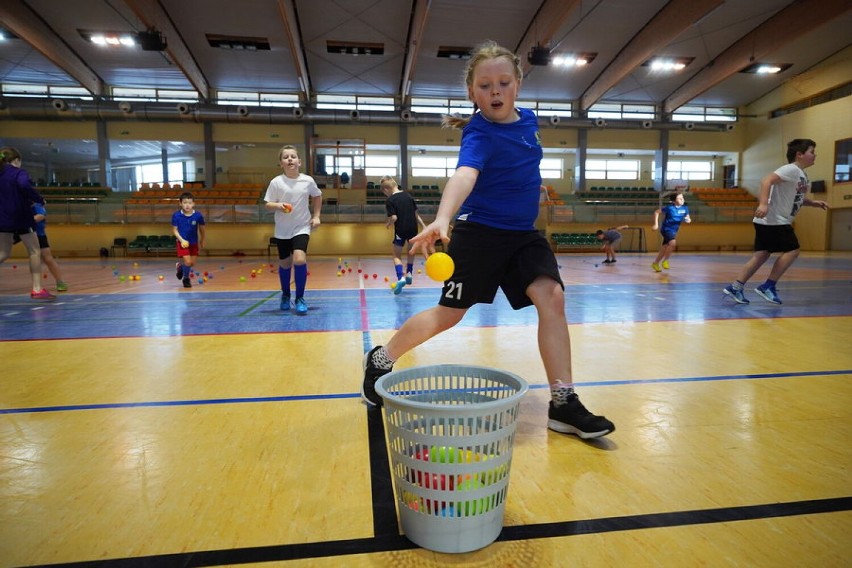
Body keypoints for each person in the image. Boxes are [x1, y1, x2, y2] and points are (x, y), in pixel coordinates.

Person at [360, 41, 614, 439]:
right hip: (480, 234)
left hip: (524, 236)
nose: (494, 91)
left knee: (553, 297)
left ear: (518, 84)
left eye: (502, 83)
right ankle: (381, 357)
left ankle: (563, 402)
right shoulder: (478, 134)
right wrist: (443, 218)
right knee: (450, 314)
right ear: (471, 93)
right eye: (484, 86)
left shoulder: (529, 120)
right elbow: (465, 175)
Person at [723, 138, 828, 305]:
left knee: (761, 255)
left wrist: (812, 202)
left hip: (767, 220)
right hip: (775, 219)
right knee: (793, 250)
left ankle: (735, 287)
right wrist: (763, 204)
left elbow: (795, 197)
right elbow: (766, 180)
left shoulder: (801, 174)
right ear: (799, 155)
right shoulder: (791, 169)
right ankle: (768, 286)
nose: (815, 155)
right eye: (812, 152)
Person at [264, 145, 322, 314]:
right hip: (282, 230)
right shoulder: (276, 182)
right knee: (285, 263)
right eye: (286, 157)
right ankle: (285, 294)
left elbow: (317, 196)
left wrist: (316, 216)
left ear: (299, 161)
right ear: (281, 163)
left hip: (301, 227)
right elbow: (267, 204)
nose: (290, 159)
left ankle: (300, 298)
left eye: (293, 156)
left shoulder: (307, 181)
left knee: (299, 260)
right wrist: (278, 205)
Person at [0, 147, 55, 300]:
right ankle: (37, 289)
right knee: (34, 251)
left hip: (2, 218)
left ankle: (38, 288)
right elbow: (24, 186)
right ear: (16, 160)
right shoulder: (19, 173)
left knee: (4, 253)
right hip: (20, 216)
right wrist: (39, 199)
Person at [381, 175, 426, 294]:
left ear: (386, 189)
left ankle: (401, 278)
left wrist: (389, 223)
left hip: (401, 229)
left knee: (396, 255)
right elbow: (416, 214)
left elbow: (394, 218)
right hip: (413, 228)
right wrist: (424, 226)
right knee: (411, 252)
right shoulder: (408, 196)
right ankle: (409, 273)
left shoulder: (390, 200)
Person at [31, 201, 68, 291]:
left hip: (38, 234)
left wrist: (25, 221)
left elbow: (40, 215)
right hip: (17, 231)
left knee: (47, 258)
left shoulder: (36, 205)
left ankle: (60, 282)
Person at [172, 192, 206, 288]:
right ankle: (186, 279)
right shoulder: (176, 216)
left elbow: (202, 228)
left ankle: (180, 267)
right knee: (187, 262)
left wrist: (202, 239)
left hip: (193, 242)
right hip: (182, 242)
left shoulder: (198, 215)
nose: (187, 205)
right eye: (185, 202)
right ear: (180, 203)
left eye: (190, 203)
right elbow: (174, 230)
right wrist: (181, 240)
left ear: (193, 204)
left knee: (192, 263)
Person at [651, 193, 691, 272]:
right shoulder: (669, 208)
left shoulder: (685, 208)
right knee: (672, 243)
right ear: (674, 201)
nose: (682, 199)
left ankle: (655, 263)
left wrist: (688, 220)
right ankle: (665, 261)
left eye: (682, 198)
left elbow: (688, 218)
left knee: (664, 248)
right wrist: (656, 224)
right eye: (679, 198)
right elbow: (656, 212)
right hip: (666, 229)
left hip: (674, 230)